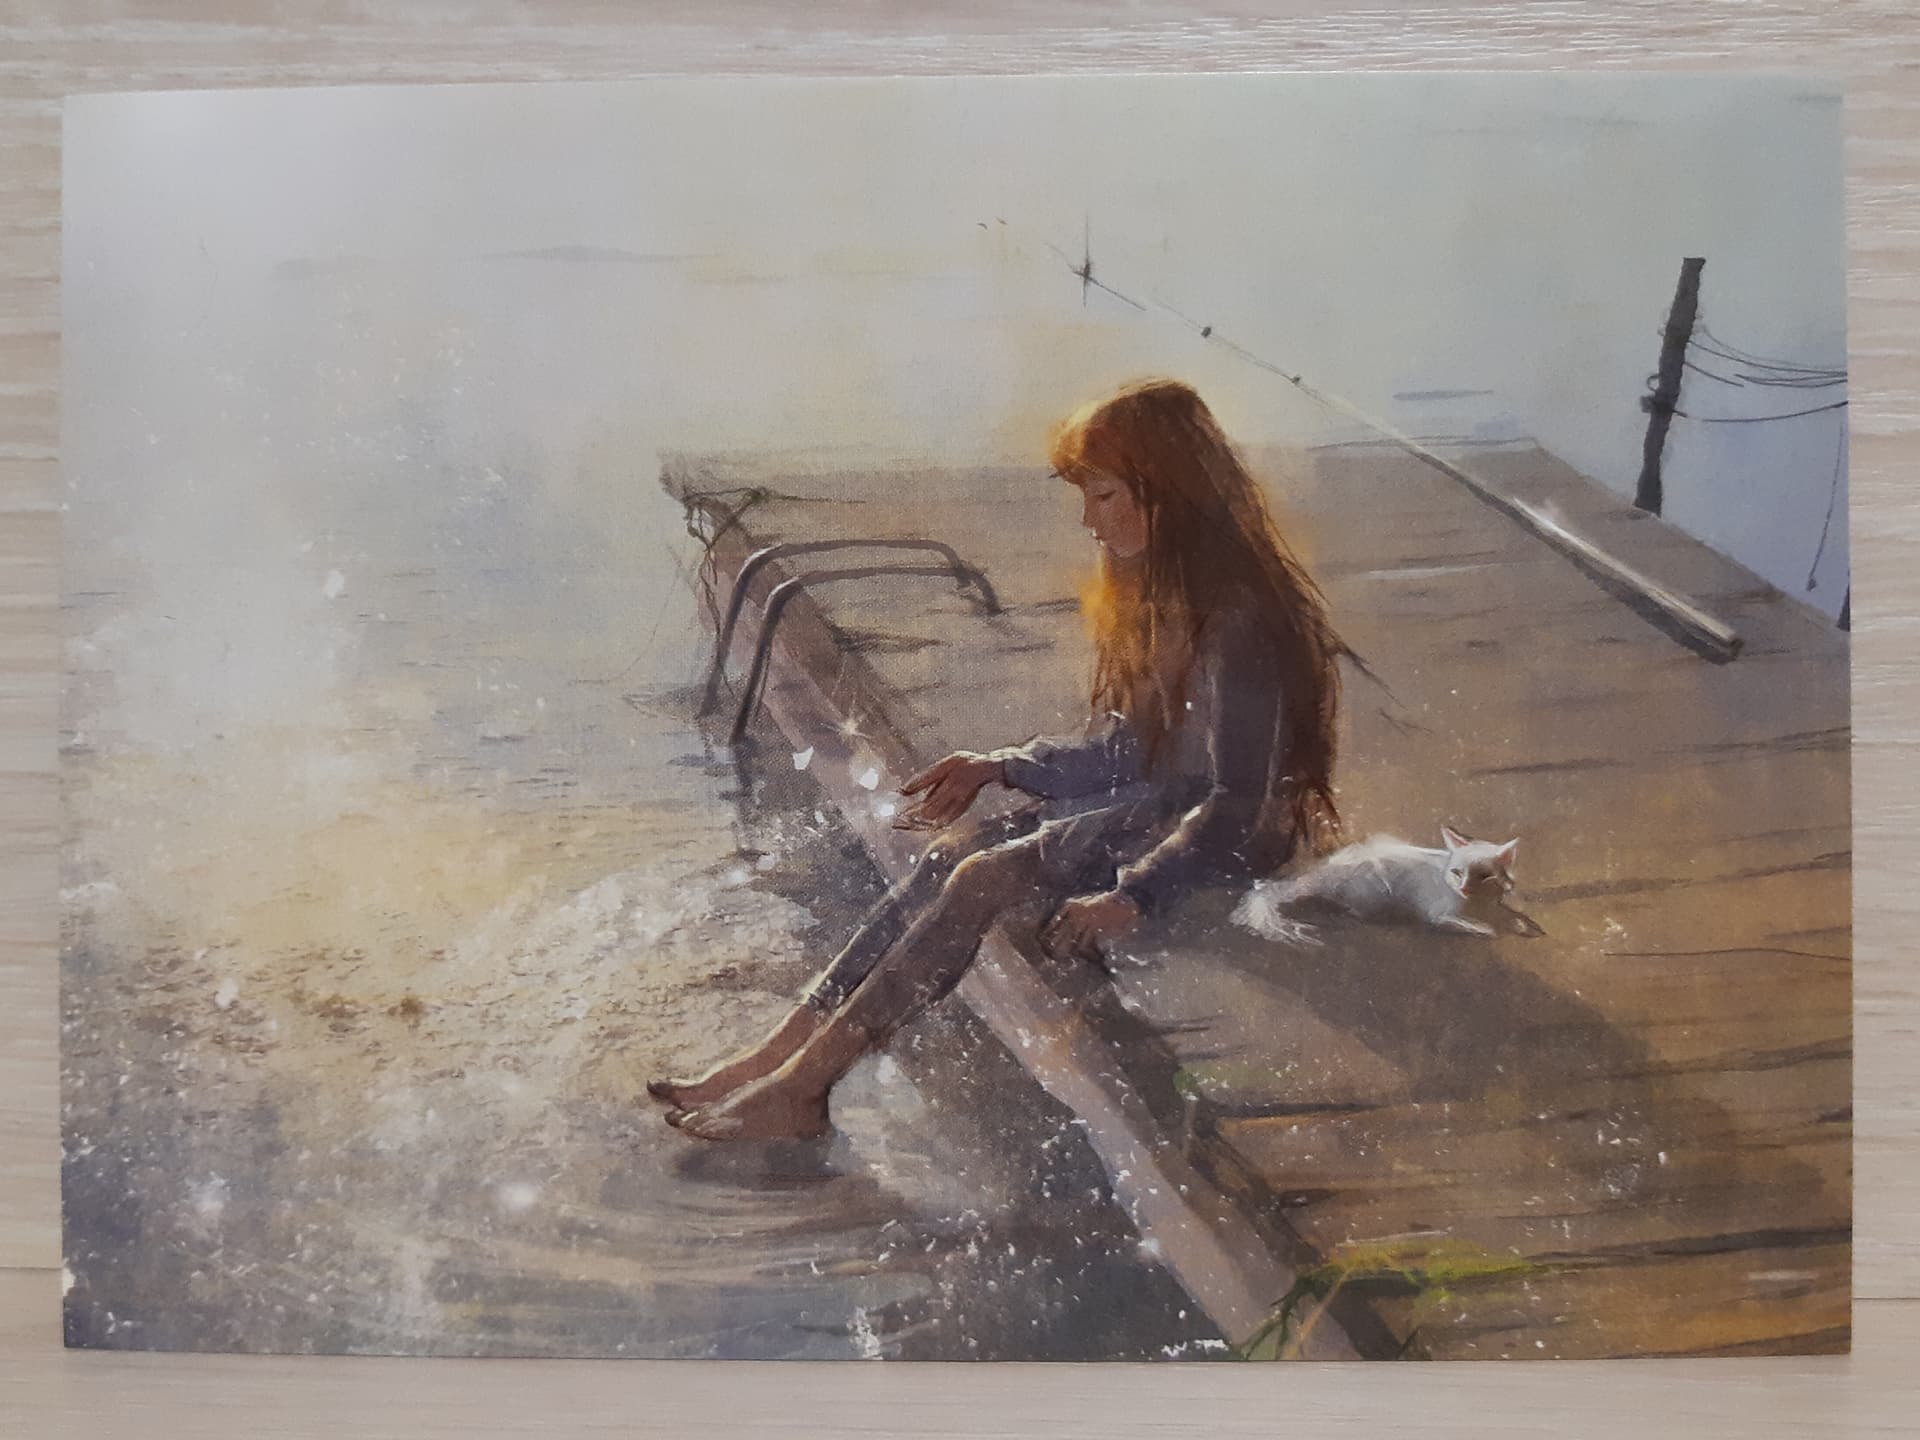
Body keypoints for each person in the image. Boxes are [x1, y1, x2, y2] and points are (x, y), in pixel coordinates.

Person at [649, 378, 1347, 1141]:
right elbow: (1126, 748)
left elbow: (1240, 799)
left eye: (1105, 495)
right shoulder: (1162, 598)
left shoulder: (1238, 619)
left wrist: (1137, 895)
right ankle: (781, 1055)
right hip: (1163, 807)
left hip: (1223, 836)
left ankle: (804, 1088)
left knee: (982, 877)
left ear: (1170, 493)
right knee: (947, 855)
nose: (1088, 520)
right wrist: (1001, 766)